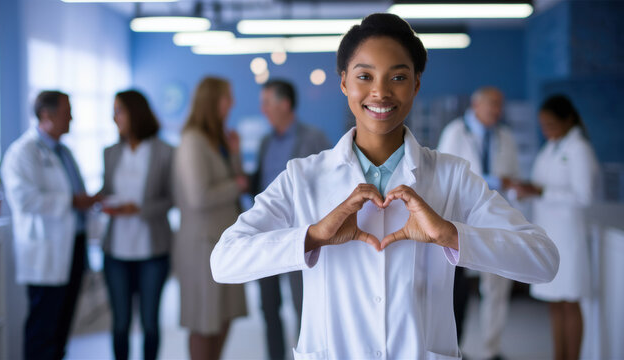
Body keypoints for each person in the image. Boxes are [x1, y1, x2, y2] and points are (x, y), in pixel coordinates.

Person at [210, 13, 559, 360]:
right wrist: (313, 235)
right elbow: (225, 261)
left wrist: (450, 234)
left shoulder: (451, 176)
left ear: (417, 84)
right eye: (365, 76)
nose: (380, 91)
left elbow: (543, 260)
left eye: (398, 77)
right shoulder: (303, 177)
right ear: (344, 82)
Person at [1, 90, 100, 359]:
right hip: (46, 252)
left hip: (73, 246)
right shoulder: (22, 153)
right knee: (42, 328)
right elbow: (24, 200)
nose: (72, 118)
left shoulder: (64, 151)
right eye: (67, 112)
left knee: (62, 326)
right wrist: (72, 201)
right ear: (46, 115)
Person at [508, 95, 598, 360]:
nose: (545, 130)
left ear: (567, 119)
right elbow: (541, 186)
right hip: (549, 234)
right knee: (554, 301)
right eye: (542, 125)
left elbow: (584, 196)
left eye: (550, 124)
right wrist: (527, 189)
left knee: (570, 300)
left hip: (569, 236)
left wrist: (541, 191)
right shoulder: (551, 148)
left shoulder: (578, 148)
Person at [437, 87, 521, 360]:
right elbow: (448, 177)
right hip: (460, 222)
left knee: (496, 288)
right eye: (492, 104)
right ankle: (454, 348)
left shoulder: (505, 137)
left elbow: (513, 178)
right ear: (476, 105)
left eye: (500, 105)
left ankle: (491, 350)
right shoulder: (455, 132)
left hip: (495, 222)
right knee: (455, 289)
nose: (497, 110)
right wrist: (497, 181)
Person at [252, 79, 330, 360]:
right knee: (269, 309)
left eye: (266, 103)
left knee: (304, 306)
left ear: (285, 104)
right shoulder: (265, 142)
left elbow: (330, 185)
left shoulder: (314, 138)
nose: (263, 110)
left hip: (302, 237)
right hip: (267, 238)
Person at [172, 77, 248, 360]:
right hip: (202, 245)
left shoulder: (218, 140)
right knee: (204, 322)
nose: (233, 104)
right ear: (213, 102)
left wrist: (236, 152)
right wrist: (236, 185)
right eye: (228, 97)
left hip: (224, 241)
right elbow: (198, 196)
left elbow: (238, 180)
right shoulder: (192, 141)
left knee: (224, 316)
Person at [98, 90, 173, 360]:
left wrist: (140, 209)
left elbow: (171, 198)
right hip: (116, 251)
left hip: (152, 251)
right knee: (120, 325)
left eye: (119, 110)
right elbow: (106, 190)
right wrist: (104, 203)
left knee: (150, 324)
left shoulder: (164, 152)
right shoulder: (110, 153)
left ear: (135, 112)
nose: (114, 116)